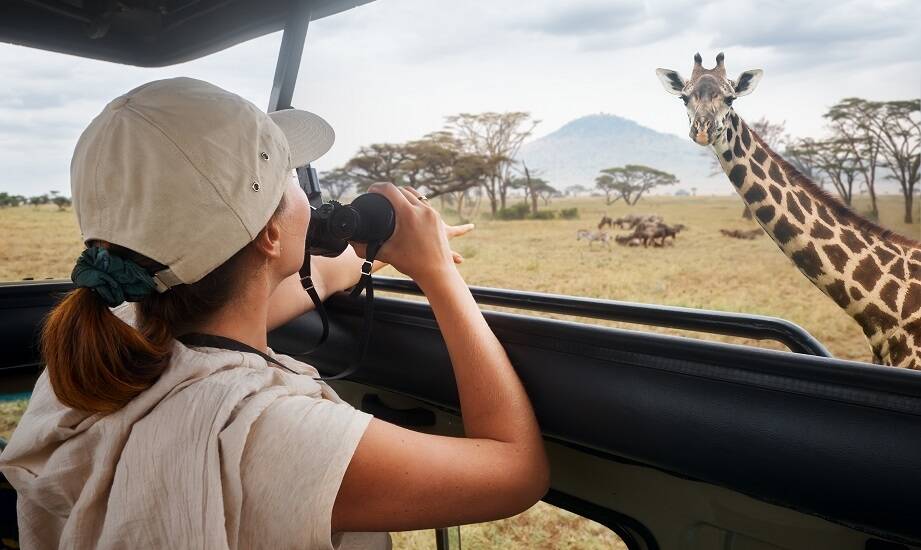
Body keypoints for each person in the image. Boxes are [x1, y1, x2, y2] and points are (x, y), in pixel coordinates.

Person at [0, 78, 549, 549]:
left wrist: (380, 252)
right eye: (290, 176)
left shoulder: (107, 344)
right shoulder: (265, 431)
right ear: (268, 232)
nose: (307, 193)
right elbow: (517, 473)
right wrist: (440, 277)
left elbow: (295, 283)